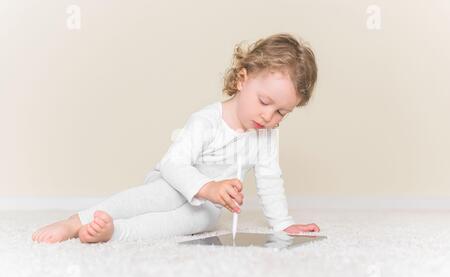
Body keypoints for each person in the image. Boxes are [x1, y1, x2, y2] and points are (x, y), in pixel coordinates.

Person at [32, 33, 320, 244]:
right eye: (264, 101)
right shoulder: (207, 120)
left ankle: (114, 233)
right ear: (242, 80)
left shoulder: (266, 135)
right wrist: (208, 187)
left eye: (282, 112)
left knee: (196, 220)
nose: (269, 116)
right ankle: (74, 222)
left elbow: (270, 179)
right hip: (172, 182)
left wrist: (283, 225)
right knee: (156, 199)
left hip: (207, 205)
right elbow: (173, 164)